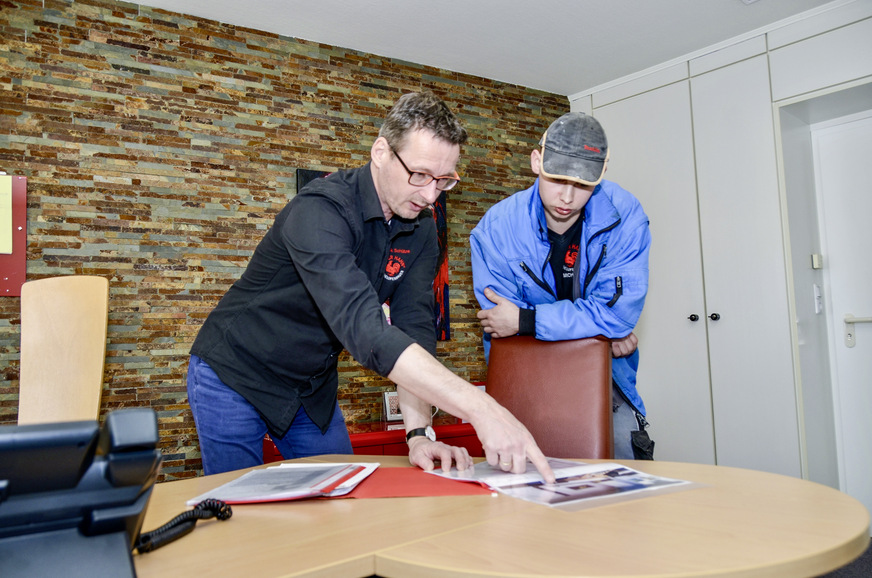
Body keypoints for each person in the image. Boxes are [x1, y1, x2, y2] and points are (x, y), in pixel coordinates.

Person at [187, 90, 555, 482]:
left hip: (311, 389)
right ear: (381, 152)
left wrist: (417, 434)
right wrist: (483, 408)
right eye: (420, 175)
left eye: (444, 180)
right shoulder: (318, 211)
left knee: (342, 498)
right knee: (237, 507)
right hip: (235, 372)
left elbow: (414, 327)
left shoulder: (422, 228)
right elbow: (365, 328)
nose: (431, 195)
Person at [470, 111, 654, 460]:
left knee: (625, 504)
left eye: (583, 185)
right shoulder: (495, 229)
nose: (567, 198)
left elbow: (615, 319)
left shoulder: (626, 216)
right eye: (557, 180)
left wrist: (525, 321)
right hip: (526, 388)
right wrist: (598, 335)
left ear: (600, 176)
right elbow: (501, 330)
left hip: (610, 385)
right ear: (537, 161)